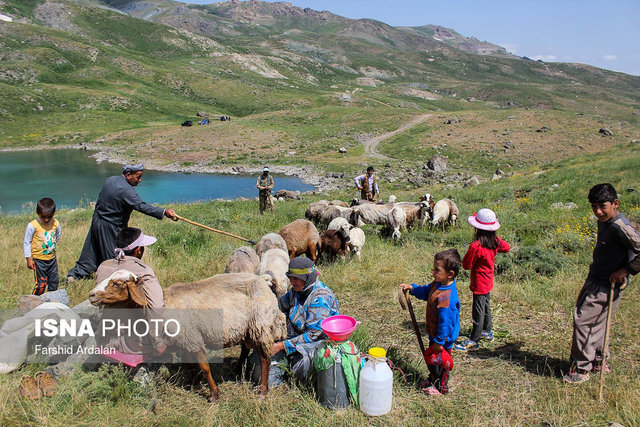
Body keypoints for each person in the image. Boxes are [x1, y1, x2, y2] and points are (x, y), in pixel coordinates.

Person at [563, 183, 640, 384]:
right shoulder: (606, 221)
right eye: (594, 206)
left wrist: (626, 270)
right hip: (598, 277)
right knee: (600, 322)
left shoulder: (620, 227)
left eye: (602, 206)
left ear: (615, 203)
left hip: (607, 282)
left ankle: (581, 368)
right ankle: (598, 360)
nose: (598, 211)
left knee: (584, 321)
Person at [67, 163, 177, 281]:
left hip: (97, 220)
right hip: (111, 226)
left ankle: (76, 274)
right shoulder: (126, 190)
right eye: (138, 176)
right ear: (128, 174)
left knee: (92, 249)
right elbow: (140, 206)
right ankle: (114, 280)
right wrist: (164, 212)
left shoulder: (111, 180)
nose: (140, 180)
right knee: (114, 256)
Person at [94, 227, 166, 356]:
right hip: (130, 342)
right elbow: (156, 306)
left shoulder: (103, 266)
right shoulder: (142, 271)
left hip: (106, 336)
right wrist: (158, 342)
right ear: (138, 250)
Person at [399, 249, 461, 395]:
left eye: (437, 270)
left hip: (443, 339)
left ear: (450, 274)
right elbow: (427, 291)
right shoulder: (438, 284)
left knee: (442, 362)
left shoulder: (447, 299)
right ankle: (433, 378)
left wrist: (440, 342)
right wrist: (413, 288)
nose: (433, 272)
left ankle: (441, 387)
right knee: (433, 359)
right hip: (435, 334)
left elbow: (446, 323)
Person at [272, 257, 340, 378]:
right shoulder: (296, 291)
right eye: (290, 278)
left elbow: (314, 334)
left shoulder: (320, 298)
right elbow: (280, 305)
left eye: (296, 279)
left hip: (318, 343)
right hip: (297, 336)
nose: (292, 282)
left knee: (299, 372)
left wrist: (282, 346)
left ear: (307, 278)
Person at [454, 208, 511, 352]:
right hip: (488, 280)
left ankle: (474, 339)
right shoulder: (495, 241)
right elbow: (507, 248)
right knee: (486, 306)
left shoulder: (476, 246)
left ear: (477, 228)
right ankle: (487, 331)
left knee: (477, 311)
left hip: (479, 281)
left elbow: (467, 265)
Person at [23, 198, 61, 295]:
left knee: (54, 282)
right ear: (37, 213)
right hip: (39, 260)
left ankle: (51, 303)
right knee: (41, 284)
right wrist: (28, 259)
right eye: (43, 217)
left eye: (50, 216)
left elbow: (57, 236)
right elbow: (27, 242)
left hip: (52, 259)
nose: (47, 219)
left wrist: (50, 246)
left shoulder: (56, 223)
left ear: (54, 213)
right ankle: (34, 302)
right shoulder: (32, 225)